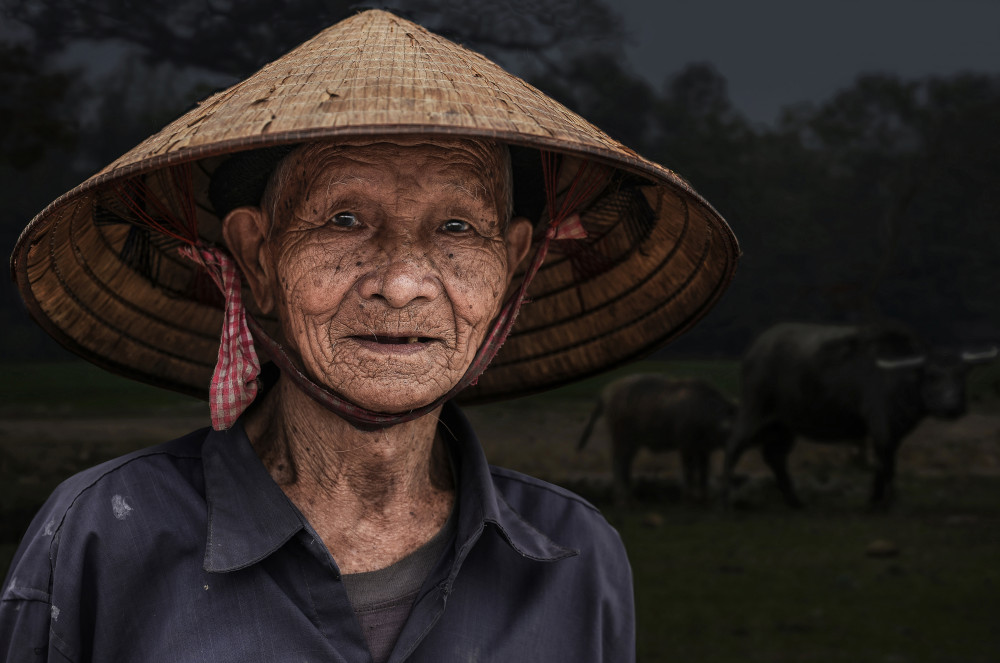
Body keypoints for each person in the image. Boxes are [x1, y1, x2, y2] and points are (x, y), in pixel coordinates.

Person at [2, 9, 738, 662]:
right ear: (259, 257)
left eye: (456, 228)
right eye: (345, 220)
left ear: (512, 265)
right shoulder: (100, 536)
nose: (403, 283)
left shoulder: (577, 556)